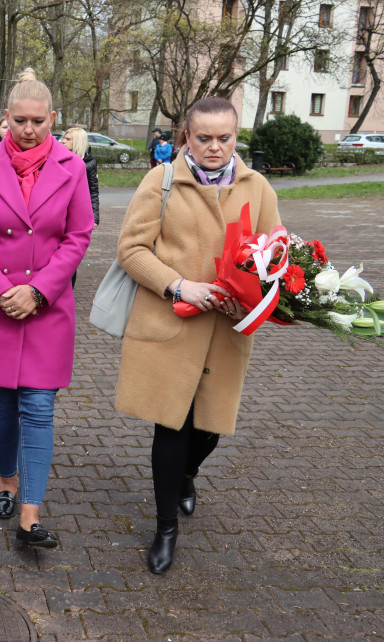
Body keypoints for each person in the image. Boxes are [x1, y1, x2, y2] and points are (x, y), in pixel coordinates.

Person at [116, 97, 280, 575]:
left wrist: (250, 294)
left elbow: (274, 254)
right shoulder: (162, 180)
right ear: (186, 135)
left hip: (226, 330)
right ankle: (166, 526)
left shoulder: (258, 188)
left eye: (223, 138)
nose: (214, 147)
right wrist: (179, 284)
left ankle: (187, 475)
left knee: (209, 427)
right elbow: (131, 249)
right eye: (203, 137)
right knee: (171, 425)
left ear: (236, 135)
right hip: (171, 323)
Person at [0, 68, 94, 549]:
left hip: (46, 308)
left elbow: (78, 237)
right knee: (1, 407)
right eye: (20, 120)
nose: (29, 129)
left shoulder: (72, 168)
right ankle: (6, 480)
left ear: (52, 119)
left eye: (38, 121)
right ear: (6, 119)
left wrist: (38, 292)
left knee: (38, 408)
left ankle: (30, 514)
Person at [59, 128, 100, 225]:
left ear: (78, 142)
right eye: (64, 138)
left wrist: (95, 218)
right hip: (59, 210)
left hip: (77, 211)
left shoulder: (89, 164)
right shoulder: (58, 159)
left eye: (68, 139)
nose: (63, 141)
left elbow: (93, 191)